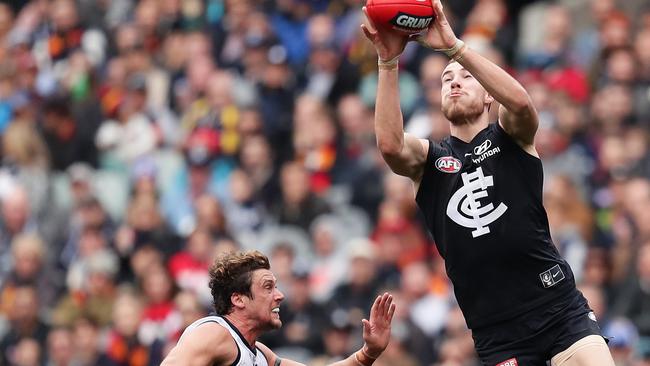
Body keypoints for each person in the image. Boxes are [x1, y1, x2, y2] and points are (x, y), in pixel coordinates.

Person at [360, 1, 616, 365]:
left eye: (464, 77)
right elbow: (390, 145)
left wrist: (455, 49)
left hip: (557, 307)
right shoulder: (430, 160)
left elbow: (523, 105)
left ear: (488, 94)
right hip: (497, 331)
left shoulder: (510, 136)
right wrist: (387, 61)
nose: (454, 82)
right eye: (446, 79)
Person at [161, 250, 395, 366]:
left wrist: (368, 353)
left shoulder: (261, 355)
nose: (280, 296)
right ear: (238, 299)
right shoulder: (213, 333)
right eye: (268, 287)